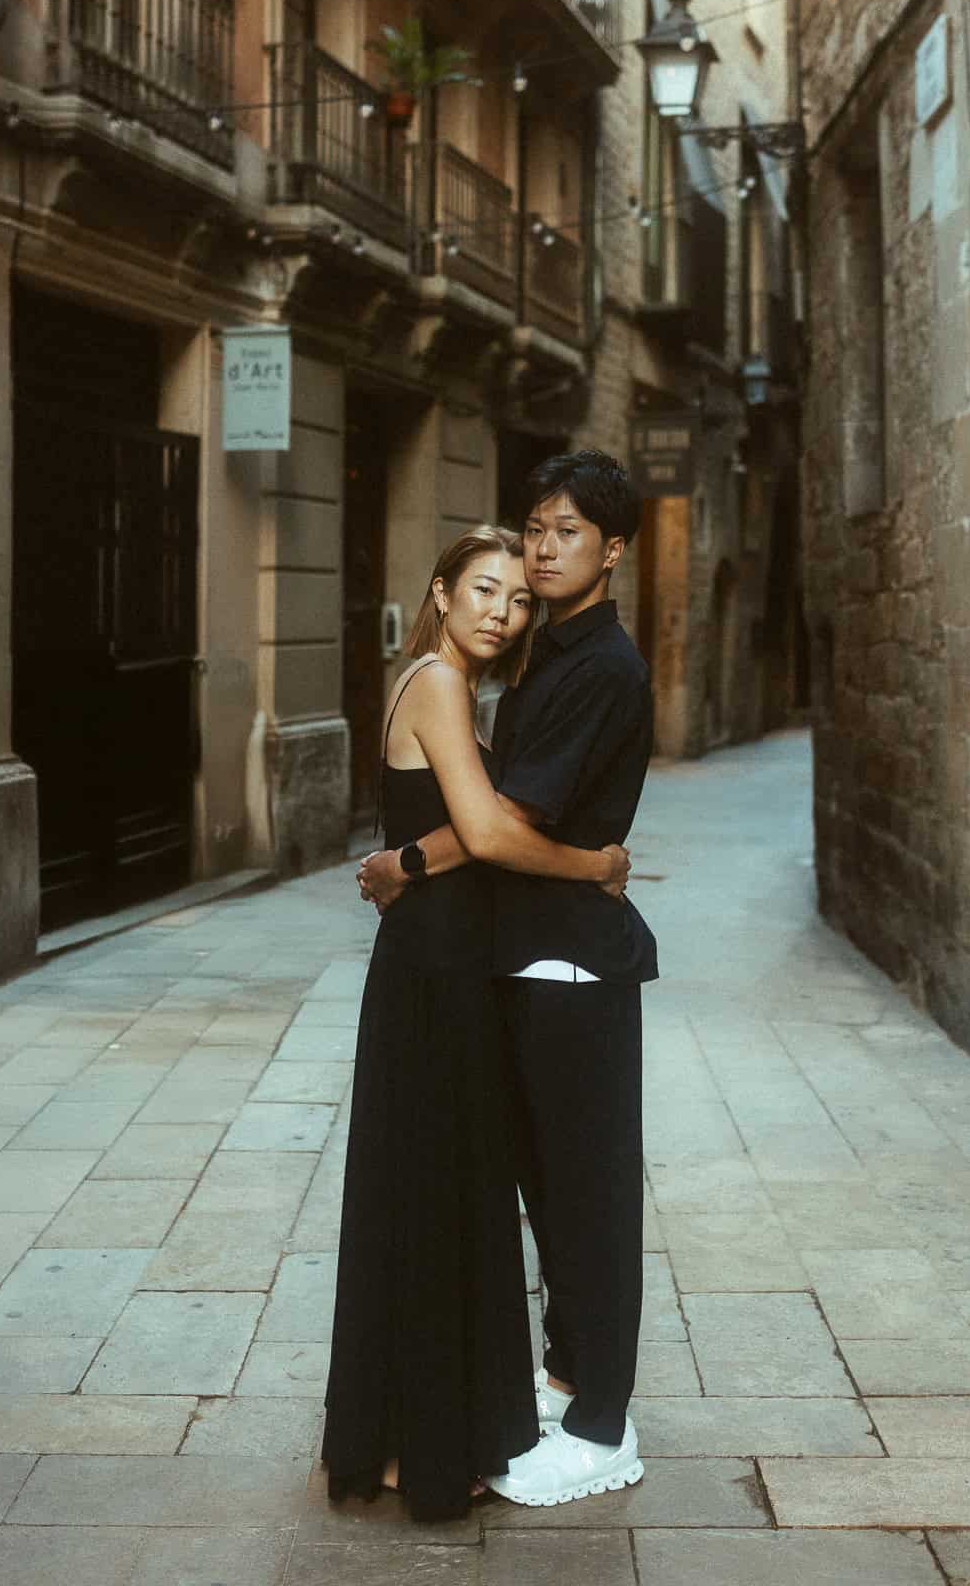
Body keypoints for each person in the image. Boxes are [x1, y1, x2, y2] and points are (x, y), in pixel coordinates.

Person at [360, 451, 655, 1508]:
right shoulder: (536, 657)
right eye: (535, 530)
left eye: (567, 533)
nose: (542, 551)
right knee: (547, 1189)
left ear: (611, 550)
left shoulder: (599, 667)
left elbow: (504, 822)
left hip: (570, 957)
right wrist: (408, 863)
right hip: (517, 954)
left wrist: (405, 862)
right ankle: (567, 1379)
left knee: (588, 1197)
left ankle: (602, 1421)